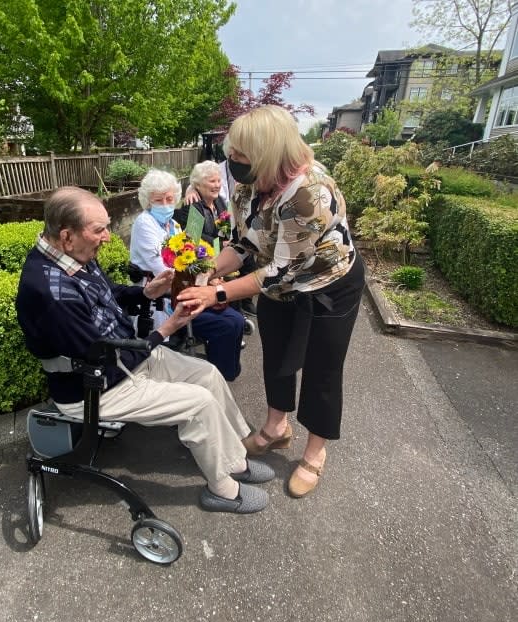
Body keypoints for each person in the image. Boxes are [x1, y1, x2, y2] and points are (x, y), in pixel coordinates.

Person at [15, 185, 274, 514]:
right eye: (99, 230)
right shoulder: (49, 291)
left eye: (107, 226)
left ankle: (235, 457)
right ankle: (223, 488)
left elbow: (110, 294)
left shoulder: (73, 256)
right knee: (198, 404)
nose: (108, 236)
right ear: (67, 236)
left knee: (207, 374)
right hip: (96, 387)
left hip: (124, 361)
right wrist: (167, 328)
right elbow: (100, 354)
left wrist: (147, 293)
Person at [178, 105, 365, 499]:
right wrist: (210, 271)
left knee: (322, 367)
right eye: (232, 154)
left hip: (327, 284)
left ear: (269, 152)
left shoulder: (310, 191)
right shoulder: (247, 183)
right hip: (278, 283)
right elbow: (245, 242)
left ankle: (315, 453)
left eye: (241, 155)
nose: (233, 162)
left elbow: (280, 271)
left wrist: (217, 293)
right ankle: (276, 427)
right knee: (278, 355)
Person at [129, 169, 244, 382]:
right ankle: (218, 376)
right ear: (148, 201)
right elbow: (166, 270)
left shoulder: (173, 223)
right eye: (158, 200)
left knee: (235, 318)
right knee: (227, 323)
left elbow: (193, 255)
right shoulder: (146, 223)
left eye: (170, 198)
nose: (165, 204)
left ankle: (225, 373)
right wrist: (206, 281)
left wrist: (209, 276)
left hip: (184, 288)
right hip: (163, 298)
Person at [183, 160, 258, 317]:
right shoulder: (193, 205)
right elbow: (193, 237)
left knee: (249, 258)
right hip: (205, 253)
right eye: (212, 181)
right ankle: (235, 311)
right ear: (198, 185)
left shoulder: (219, 201)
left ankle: (245, 302)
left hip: (223, 247)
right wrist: (220, 243)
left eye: (218, 181)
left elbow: (228, 222)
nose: (217, 185)